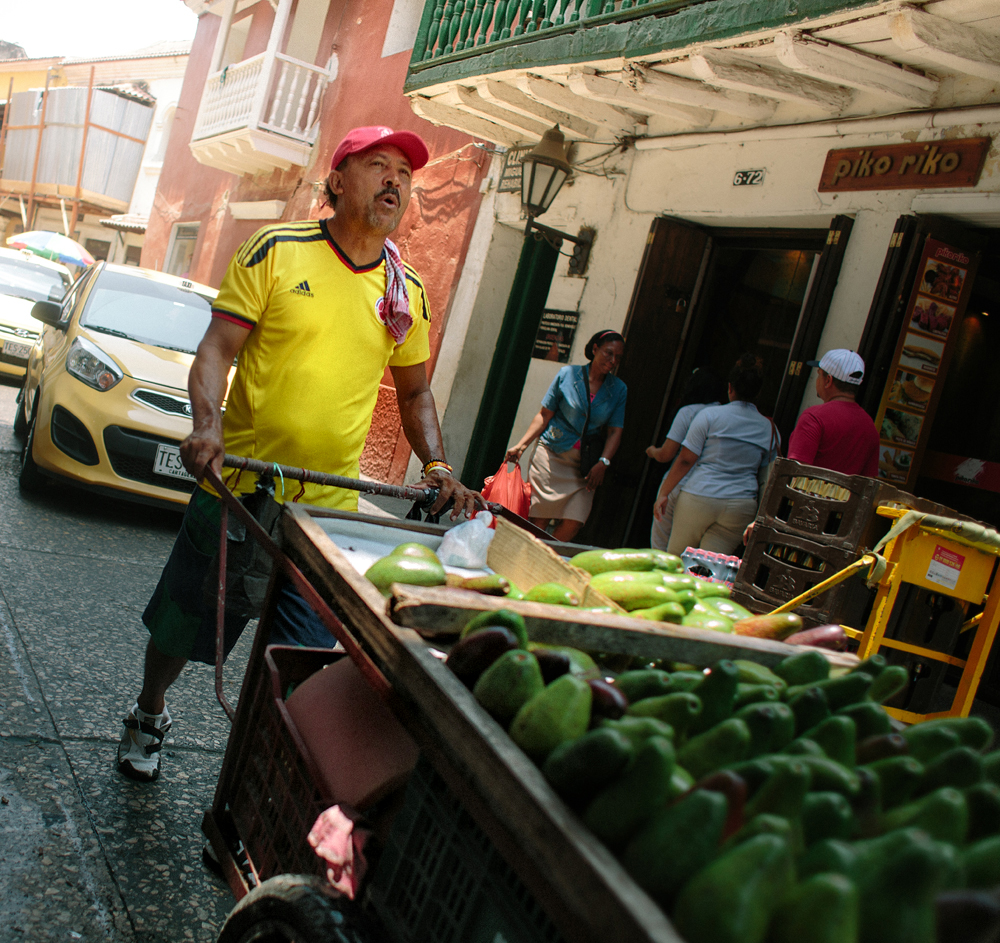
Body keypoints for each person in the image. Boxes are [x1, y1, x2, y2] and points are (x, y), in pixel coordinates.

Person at [117, 125, 484, 783]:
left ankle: (258, 782)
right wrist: (208, 426)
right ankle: (149, 710)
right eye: (378, 164)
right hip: (241, 485)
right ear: (338, 179)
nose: (395, 180)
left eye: (404, 170)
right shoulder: (277, 249)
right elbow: (216, 351)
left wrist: (437, 466)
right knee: (183, 621)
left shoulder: (406, 290)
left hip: (327, 508)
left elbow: (417, 391)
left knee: (303, 653)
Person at [505, 330, 627, 542]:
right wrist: (522, 446)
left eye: (618, 356)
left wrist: (603, 462)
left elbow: (615, 430)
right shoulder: (567, 375)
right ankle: (528, 560)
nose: (613, 360)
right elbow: (545, 415)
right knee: (539, 520)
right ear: (595, 348)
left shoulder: (618, 389)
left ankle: (548, 557)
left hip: (585, 466)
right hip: (551, 454)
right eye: (608, 353)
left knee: (574, 521)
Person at [654, 353, 778, 555]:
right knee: (708, 566)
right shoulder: (769, 429)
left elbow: (685, 460)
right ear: (758, 392)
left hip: (700, 496)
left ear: (730, 388)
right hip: (741, 505)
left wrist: (664, 493)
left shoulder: (710, 416)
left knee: (677, 557)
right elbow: (769, 476)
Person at [646, 368, 725, 550]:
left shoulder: (689, 412)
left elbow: (667, 454)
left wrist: (652, 451)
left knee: (661, 545)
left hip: (678, 483)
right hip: (704, 491)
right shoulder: (722, 414)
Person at [787, 349, 879, 477]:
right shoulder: (870, 427)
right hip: (846, 497)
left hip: (808, 496)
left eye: (819, 374)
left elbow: (796, 472)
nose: (817, 380)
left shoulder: (814, 417)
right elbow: (868, 482)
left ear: (828, 380)